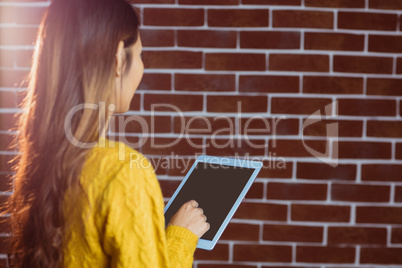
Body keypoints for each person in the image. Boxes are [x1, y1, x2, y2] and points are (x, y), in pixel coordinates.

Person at [3, 0, 209, 267]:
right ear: (118, 59)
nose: (142, 69)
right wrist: (181, 237)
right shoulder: (123, 173)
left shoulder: (43, 159)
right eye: (141, 55)